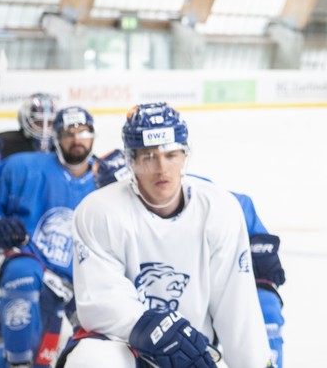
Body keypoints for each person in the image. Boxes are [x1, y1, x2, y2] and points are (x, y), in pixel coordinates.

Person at [58, 102, 272, 367]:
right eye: (148, 157)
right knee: (90, 360)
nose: (161, 168)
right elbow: (101, 302)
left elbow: (237, 308)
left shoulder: (220, 209)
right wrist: (160, 332)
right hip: (122, 347)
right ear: (131, 161)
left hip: (194, 353)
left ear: (185, 156)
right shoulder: (98, 211)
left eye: (171, 155)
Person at [89, 148, 286, 367]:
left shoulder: (201, 198)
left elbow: (241, 208)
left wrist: (259, 266)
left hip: (211, 294)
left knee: (265, 306)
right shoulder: (100, 221)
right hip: (159, 320)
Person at [0, 106, 97, 368]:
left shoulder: (107, 181)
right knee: (20, 273)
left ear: (93, 136)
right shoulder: (22, 167)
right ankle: (17, 363)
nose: (76, 139)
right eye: (69, 133)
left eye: (83, 132)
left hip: (81, 280)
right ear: (56, 138)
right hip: (33, 265)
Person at [0, 93, 58, 161]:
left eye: (49, 123)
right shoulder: (4, 143)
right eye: (39, 122)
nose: (44, 129)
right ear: (25, 121)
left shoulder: (60, 145)